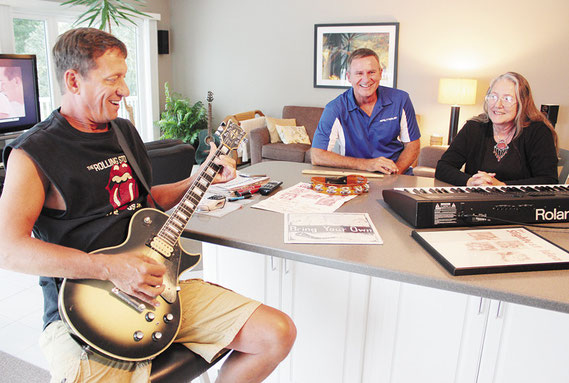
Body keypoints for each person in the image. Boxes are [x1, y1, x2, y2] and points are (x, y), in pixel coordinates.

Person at [0, 28, 295, 383]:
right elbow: (8, 249)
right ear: (73, 81)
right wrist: (111, 269)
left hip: (157, 285)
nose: (124, 90)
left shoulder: (123, 131)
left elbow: (144, 201)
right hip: (82, 311)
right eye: (113, 79)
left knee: (276, 333)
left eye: (124, 77)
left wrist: (196, 178)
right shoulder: (34, 152)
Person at [435, 72, 558, 186]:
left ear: (522, 103)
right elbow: (443, 167)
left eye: (507, 99)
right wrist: (470, 181)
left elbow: (548, 180)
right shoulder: (474, 127)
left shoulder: (538, 132)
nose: (497, 105)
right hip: (476, 201)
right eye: (493, 97)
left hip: (520, 205)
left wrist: (501, 186)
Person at [311, 48, 421, 175]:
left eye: (371, 72)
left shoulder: (401, 99)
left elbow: (413, 146)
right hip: (356, 179)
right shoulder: (335, 108)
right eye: (359, 73)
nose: (366, 79)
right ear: (349, 77)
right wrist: (367, 164)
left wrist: (394, 174)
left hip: (397, 175)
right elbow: (317, 155)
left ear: (380, 73)